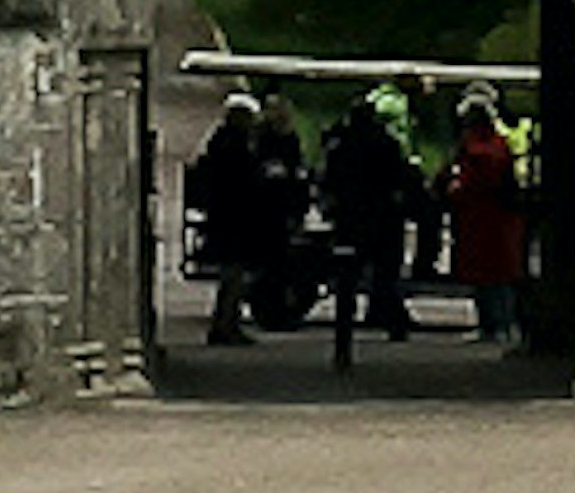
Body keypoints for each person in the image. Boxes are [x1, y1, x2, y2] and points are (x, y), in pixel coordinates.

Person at [184, 91, 309, 347]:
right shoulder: (233, 144)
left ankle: (227, 322)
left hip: (230, 217)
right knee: (234, 274)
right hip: (233, 219)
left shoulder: (228, 142)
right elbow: (241, 181)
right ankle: (225, 325)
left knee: (235, 275)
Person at [314, 90, 429, 356]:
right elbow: (402, 178)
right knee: (386, 276)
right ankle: (395, 322)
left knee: (348, 281)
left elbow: (327, 181)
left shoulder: (339, 146)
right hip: (384, 218)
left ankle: (344, 337)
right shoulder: (386, 143)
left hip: (350, 220)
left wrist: (331, 207)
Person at [442, 94, 531, 345]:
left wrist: (455, 189)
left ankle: (496, 325)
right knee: (498, 276)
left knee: (491, 277)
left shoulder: (477, 151)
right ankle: (499, 325)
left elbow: (473, 182)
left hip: (484, 220)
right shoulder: (498, 145)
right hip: (494, 220)